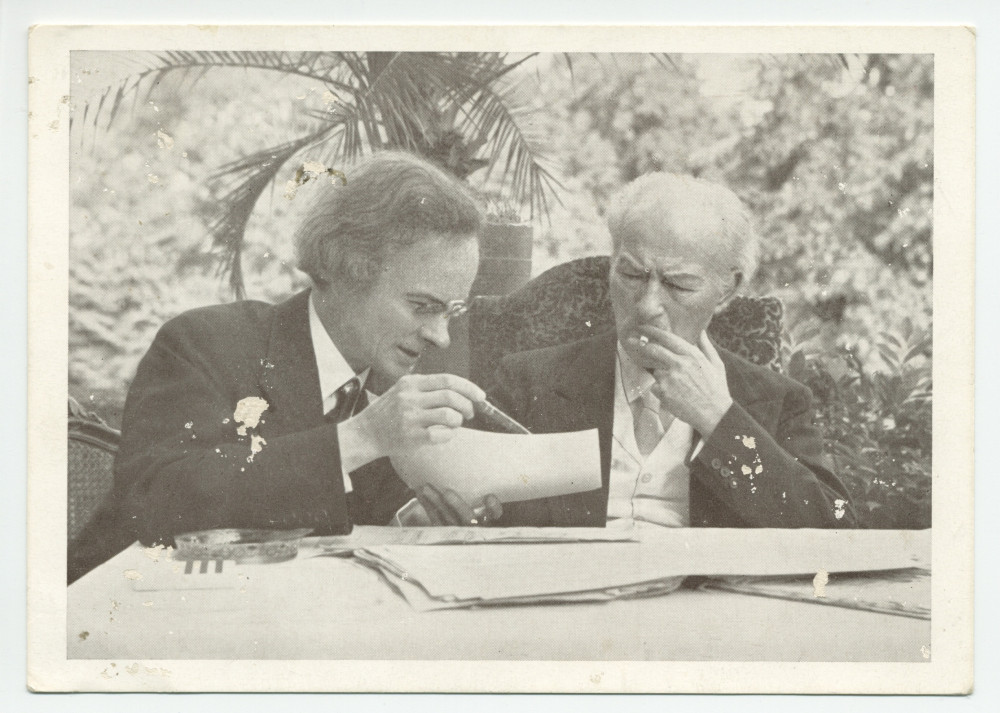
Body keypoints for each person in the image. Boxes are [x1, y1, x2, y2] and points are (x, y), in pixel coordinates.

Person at [69, 152, 501, 583]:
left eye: (451, 311)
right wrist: (359, 438)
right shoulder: (205, 343)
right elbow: (156, 503)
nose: (440, 336)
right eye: (422, 306)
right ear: (348, 269)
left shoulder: (384, 391)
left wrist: (408, 523)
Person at [487, 172, 857, 529]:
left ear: (726, 291)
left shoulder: (777, 401)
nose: (648, 306)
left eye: (678, 285)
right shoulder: (528, 381)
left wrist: (719, 420)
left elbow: (835, 529)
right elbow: (475, 507)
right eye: (631, 275)